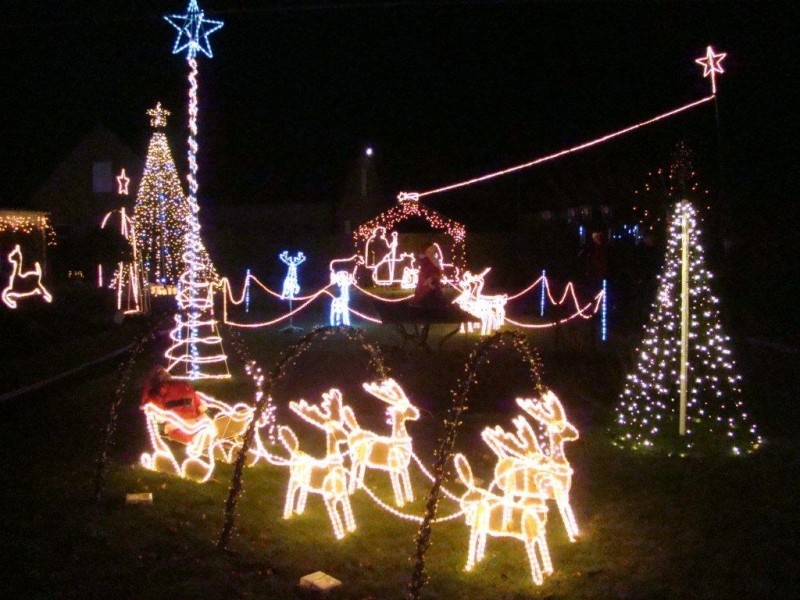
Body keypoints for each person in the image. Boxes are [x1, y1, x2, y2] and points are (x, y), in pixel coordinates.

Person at [140, 366, 208, 444]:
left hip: (175, 428)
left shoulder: (157, 392)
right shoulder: (184, 385)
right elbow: (200, 406)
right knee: (205, 433)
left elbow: (160, 418)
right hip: (196, 423)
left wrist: (147, 389)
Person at [413, 243, 446, 308]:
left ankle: (435, 304)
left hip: (433, 281)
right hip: (424, 281)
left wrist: (434, 277)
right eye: (428, 252)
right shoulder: (424, 260)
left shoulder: (435, 261)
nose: (430, 253)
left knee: (434, 296)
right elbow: (424, 270)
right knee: (424, 294)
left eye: (432, 252)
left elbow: (439, 271)